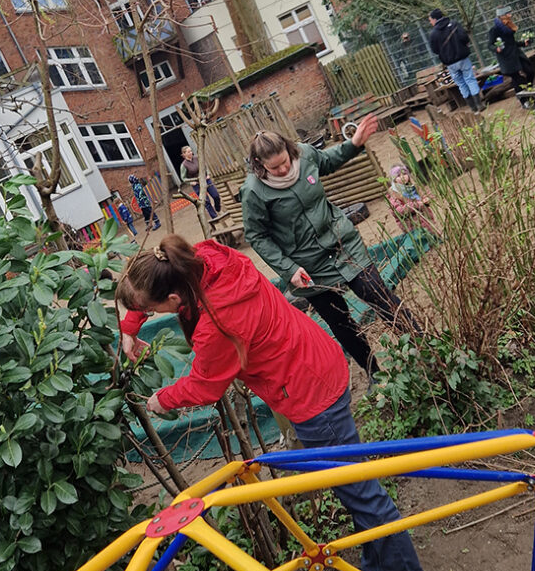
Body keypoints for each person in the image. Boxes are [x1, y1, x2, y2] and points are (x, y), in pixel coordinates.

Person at [117, 235, 439, 571]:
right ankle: (379, 567)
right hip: (311, 363)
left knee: (362, 494)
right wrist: (130, 329)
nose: (149, 315)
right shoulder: (206, 257)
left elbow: (205, 385)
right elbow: (145, 283)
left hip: (310, 394)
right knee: (348, 486)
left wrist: (162, 399)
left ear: (175, 299)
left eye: (151, 310)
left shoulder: (219, 322)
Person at [240, 114, 420, 379]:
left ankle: (422, 344)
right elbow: (257, 236)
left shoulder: (304, 154)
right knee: (340, 321)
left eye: (285, 161)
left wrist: (353, 144)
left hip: (341, 243)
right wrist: (289, 269)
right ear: (259, 164)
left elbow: (328, 160)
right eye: (274, 167)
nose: (284, 169)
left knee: (379, 294)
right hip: (306, 265)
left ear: (289, 149)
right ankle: (374, 373)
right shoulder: (254, 191)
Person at [428, 8, 483, 113]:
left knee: (461, 84)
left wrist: (444, 52)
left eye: (430, 20)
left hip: (450, 63)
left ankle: (472, 107)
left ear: (435, 19)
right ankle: (479, 104)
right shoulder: (454, 24)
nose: (430, 22)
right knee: (470, 79)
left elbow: (435, 50)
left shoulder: (433, 34)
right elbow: (464, 37)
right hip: (463, 58)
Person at [489, 6, 535, 104]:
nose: (511, 15)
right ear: (502, 16)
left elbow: (512, 43)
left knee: (530, 71)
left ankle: (530, 90)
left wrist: (523, 43)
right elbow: (489, 45)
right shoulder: (494, 30)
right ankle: (523, 100)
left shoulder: (509, 26)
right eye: (508, 13)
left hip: (516, 54)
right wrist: (496, 49)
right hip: (507, 59)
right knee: (518, 80)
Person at [385, 164, 439, 237]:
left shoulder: (413, 187)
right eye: (398, 176)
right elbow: (399, 211)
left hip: (427, 220)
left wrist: (426, 200)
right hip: (412, 225)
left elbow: (423, 196)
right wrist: (416, 204)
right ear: (394, 180)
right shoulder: (394, 194)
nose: (402, 177)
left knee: (435, 235)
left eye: (404, 174)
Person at [179, 146, 222, 219]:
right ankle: (215, 217)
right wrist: (191, 182)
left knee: (216, 195)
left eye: (191, 151)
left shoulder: (197, 158)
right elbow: (183, 178)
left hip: (206, 180)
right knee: (206, 201)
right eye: (188, 152)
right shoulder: (184, 165)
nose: (191, 153)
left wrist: (208, 174)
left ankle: (217, 208)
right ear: (184, 154)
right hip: (197, 184)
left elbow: (205, 167)